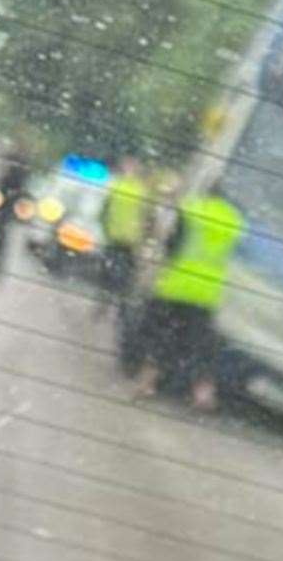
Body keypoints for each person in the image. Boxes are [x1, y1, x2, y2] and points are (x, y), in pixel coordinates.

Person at [129, 185, 245, 411]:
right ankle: (203, 392)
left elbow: (171, 245)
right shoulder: (235, 221)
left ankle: (147, 382)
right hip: (206, 293)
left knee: (160, 336)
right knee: (200, 344)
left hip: (176, 286)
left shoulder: (192, 210)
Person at [100, 156, 149, 303]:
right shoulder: (141, 191)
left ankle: (106, 298)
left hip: (115, 237)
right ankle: (118, 299)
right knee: (125, 276)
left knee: (108, 272)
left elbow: (104, 211)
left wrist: (105, 228)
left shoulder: (115, 186)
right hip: (129, 241)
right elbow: (147, 217)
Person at [0, 142, 30, 279]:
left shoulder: (20, 166)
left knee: (1, 234)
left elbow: (20, 186)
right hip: (6, 202)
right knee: (0, 234)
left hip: (9, 203)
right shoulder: (18, 164)